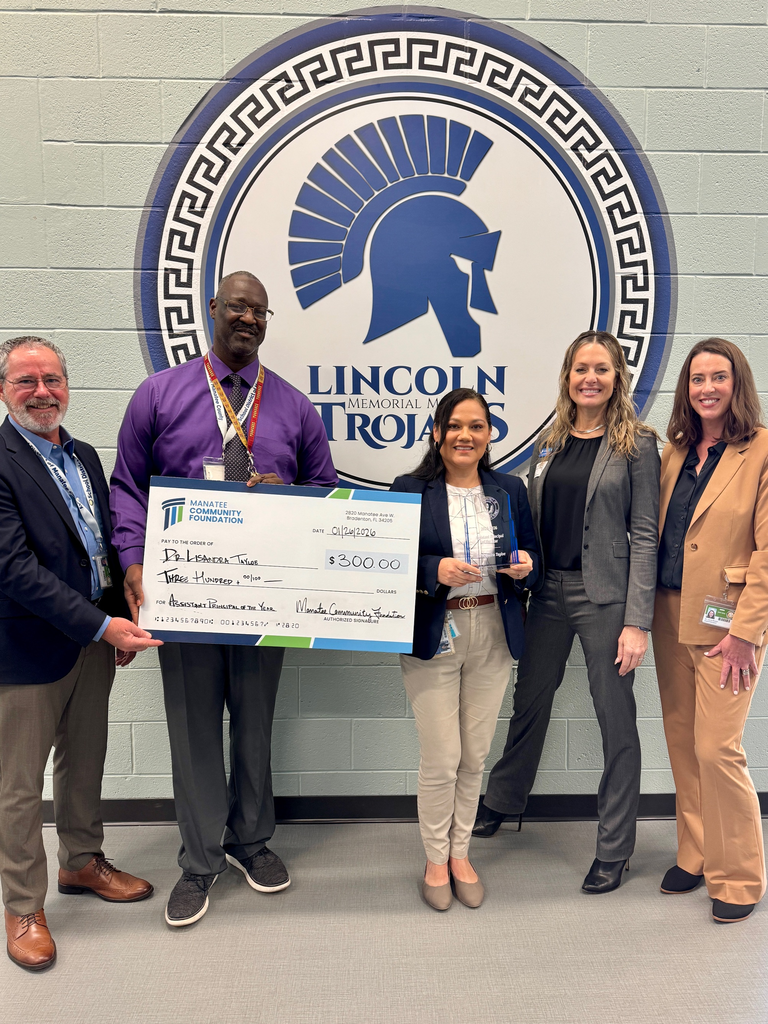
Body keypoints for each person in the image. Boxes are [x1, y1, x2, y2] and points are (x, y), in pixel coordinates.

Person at [110, 271, 338, 928]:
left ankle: (251, 841)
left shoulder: (293, 407)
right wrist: (130, 562)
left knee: (257, 722)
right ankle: (199, 859)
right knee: (192, 727)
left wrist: (287, 497)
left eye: (259, 311)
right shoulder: (160, 394)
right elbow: (128, 487)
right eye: (237, 306)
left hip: (267, 601)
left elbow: (323, 495)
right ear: (213, 310)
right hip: (183, 599)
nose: (248, 318)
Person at [474, 330, 660, 894]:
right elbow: (534, 517)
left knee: (615, 718)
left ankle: (615, 847)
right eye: (582, 368)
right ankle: (504, 800)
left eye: (601, 369)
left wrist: (638, 621)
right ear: (568, 375)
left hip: (605, 598)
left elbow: (646, 535)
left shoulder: (637, 445)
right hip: (547, 594)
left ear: (617, 377)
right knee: (528, 701)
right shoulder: (550, 441)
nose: (590, 379)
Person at [0, 336, 159, 972]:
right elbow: (14, 569)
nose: (43, 392)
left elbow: (99, 547)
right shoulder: (3, 461)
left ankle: (81, 862)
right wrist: (103, 626)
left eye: (53, 380)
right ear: (5, 391)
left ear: (68, 384)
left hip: (94, 640)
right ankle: (22, 906)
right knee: (17, 787)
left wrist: (119, 611)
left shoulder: (86, 456)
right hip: (27, 648)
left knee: (84, 760)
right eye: (26, 381)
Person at [391, 388, 538, 910]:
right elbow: (389, 559)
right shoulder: (411, 489)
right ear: (437, 432)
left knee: (474, 755)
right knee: (443, 756)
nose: (466, 435)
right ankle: (434, 857)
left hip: (494, 631)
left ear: (489, 435)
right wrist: (434, 569)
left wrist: (525, 566)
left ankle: (460, 853)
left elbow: (534, 557)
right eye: (455, 425)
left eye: (477, 426)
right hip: (437, 630)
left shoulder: (509, 491)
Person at [652, 338, 768, 924]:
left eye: (718, 377)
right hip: (670, 614)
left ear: (736, 383)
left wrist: (747, 632)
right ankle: (695, 853)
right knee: (681, 742)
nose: (706, 388)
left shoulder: (763, 450)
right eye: (697, 379)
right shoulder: (674, 452)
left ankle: (740, 876)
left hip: (730, 627)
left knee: (718, 748)